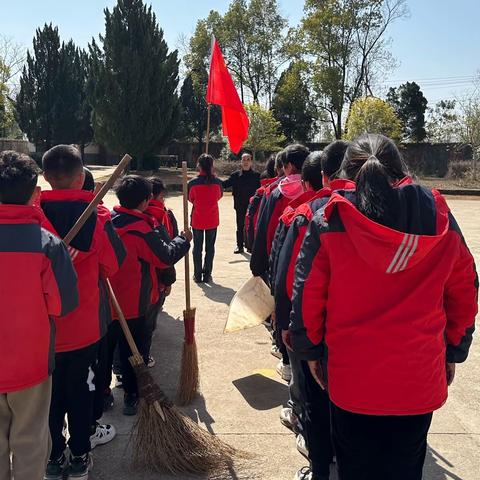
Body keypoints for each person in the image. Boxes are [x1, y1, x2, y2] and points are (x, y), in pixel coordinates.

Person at [290, 134, 478, 480]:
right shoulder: (439, 219)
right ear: (400, 168)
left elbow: (307, 296)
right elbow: (465, 290)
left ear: (347, 171)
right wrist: (453, 349)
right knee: (407, 469)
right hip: (418, 380)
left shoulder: (330, 221)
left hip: (351, 381)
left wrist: (310, 351)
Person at [40, 145, 126, 480]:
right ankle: (79, 456)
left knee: (48, 398)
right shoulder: (99, 219)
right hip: (85, 329)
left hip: (42, 330)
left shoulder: (30, 217)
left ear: (46, 178)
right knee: (81, 392)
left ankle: (52, 457)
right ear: (81, 178)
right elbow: (112, 266)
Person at [274, 141, 352, 480]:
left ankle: (320, 470)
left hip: (316, 331)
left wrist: (287, 326)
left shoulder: (307, 214)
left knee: (316, 406)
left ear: (320, 176)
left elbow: (288, 279)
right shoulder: (385, 210)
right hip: (357, 333)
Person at [0, 151, 78, 480]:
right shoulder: (48, 246)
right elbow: (62, 305)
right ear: (35, 193)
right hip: (30, 365)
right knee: (31, 442)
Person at [109, 175, 191, 415]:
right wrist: (183, 240)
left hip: (109, 301)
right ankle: (132, 396)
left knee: (109, 349)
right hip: (137, 302)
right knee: (136, 351)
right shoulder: (142, 229)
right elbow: (164, 256)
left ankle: (103, 398)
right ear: (146, 201)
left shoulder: (108, 223)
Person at [250, 144, 310, 279]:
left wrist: (257, 266)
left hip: (280, 261)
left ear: (289, 166)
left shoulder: (277, 192)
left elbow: (263, 229)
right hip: (308, 262)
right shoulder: (315, 188)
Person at [143, 177, 179, 368]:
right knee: (148, 320)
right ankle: (144, 353)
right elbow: (169, 251)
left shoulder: (132, 215)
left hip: (134, 282)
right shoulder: (161, 216)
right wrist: (168, 280)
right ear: (156, 196)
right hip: (157, 279)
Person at [188, 154, 223, 283]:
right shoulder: (218, 182)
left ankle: (197, 275)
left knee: (197, 247)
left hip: (197, 218)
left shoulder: (192, 183)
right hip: (212, 219)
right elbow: (219, 196)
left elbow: (190, 198)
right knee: (210, 248)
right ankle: (207, 274)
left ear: (199, 165)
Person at [222, 152, 261, 254]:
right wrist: (212, 178)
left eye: (248, 159)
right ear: (241, 162)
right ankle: (239, 246)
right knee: (240, 226)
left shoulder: (257, 176)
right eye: (244, 159)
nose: (246, 162)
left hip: (252, 206)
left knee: (251, 225)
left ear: (251, 162)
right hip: (239, 205)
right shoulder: (235, 176)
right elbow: (225, 184)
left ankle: (250, 246)